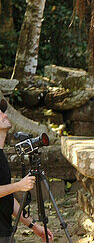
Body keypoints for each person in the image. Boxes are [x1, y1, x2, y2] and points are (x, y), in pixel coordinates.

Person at [0, 99, 52, 242]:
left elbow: (7, 199)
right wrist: (18, 186)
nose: (4, 115)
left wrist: (35, 227)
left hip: (6, 233)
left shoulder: (1, 154)